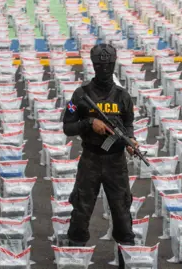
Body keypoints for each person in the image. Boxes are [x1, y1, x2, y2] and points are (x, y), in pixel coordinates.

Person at [62, 44, 138, 268]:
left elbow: (128, 124)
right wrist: (89, 123)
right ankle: (75, 260)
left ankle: (127, 260)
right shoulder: (81, 94)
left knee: (122, 211)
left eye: (108, 65)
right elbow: (68, 126)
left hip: (116, 162)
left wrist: (130, 142)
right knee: (81, 209)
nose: (104, 69)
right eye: (100, 65)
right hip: (91, 160)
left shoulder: (123, 96)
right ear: (94, 66)